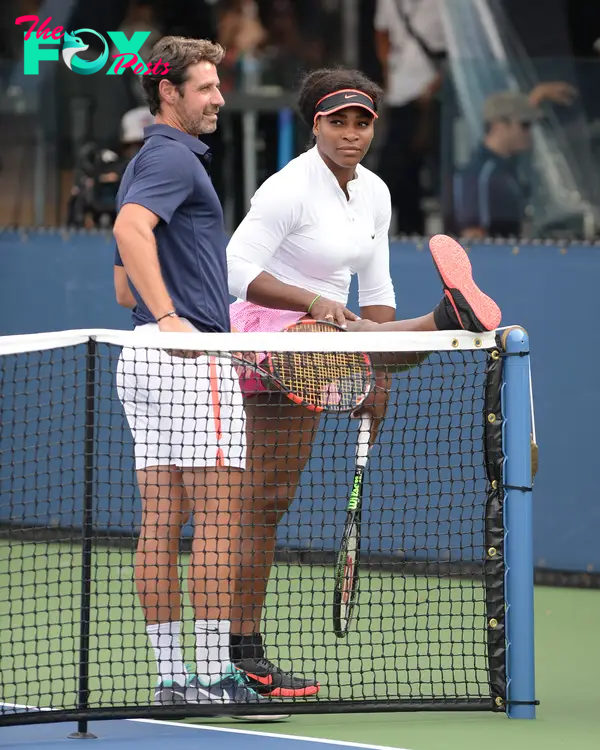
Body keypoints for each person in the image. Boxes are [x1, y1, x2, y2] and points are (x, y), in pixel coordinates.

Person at [225, 67, 502, 696]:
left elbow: (374, 294)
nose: (351, 134)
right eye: (336, 121)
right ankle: (239, 651)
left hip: (337, 335)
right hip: (268, 333)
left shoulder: (373, 192)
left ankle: (242, 649)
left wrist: (375, 378)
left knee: (271, 502)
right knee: (259, 504)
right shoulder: (286, 188)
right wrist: (314, 304)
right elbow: (236, 267)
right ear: (314, 124)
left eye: (361, 122)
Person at [112, 34, 288, 718]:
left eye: (218, 85)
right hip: (187, 357)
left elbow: (123, 283)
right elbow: (132, 232)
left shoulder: (140, 163)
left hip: (142, 356)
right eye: (206, 87)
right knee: (218, 514)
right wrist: (179, 317)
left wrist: (163, 310)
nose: (219, 98)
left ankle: (171, 678)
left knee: (161, 518)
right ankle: (215, 678)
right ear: (169, 92)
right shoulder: (173, 160)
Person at [454, 85, 577, 238]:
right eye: (525, 125)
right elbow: (473, 237)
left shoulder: (505, 167)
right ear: (499, 125)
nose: (530, 132)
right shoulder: (480, 174)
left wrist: (540, 93)